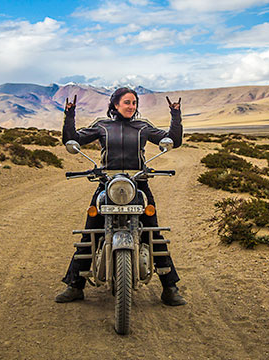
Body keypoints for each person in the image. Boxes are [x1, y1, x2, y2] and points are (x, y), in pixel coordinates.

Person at [55, 87, 186, 306]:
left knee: (152, 232)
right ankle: (75, 285)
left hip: (138, 184)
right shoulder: (102, 126)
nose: (131, 106)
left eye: (134, 103)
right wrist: (69, 115)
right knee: (91, 233)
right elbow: (72, 139)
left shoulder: (142, 126)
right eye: (127, 102)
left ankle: (170, 288)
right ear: (115, 105)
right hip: (108, 184)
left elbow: (173, 140)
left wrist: (176, 115)